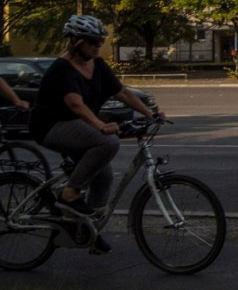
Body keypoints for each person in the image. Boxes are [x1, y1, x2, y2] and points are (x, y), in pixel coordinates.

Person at [30, 14, 162, 253]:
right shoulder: (63, 68)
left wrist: (151, 113)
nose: (97, 46)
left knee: (103, 178)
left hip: (77, 125)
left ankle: (87, 232)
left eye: (99, 42)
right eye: (92, 42)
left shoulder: (97, 65)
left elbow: (121, 92)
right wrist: (100, 126)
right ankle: (69, 194)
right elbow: (75, 104)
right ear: (76, 42)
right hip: (51, 126)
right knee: (108, 143)